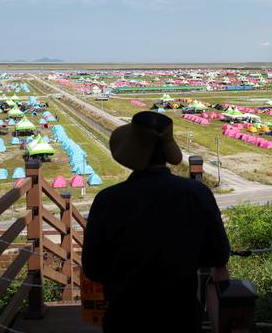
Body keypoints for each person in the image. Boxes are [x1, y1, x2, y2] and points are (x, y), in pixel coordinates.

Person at [82, 111, 230, 333]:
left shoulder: (108, 200)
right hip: (181, 316)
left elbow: (93, 267)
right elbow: (218, 254)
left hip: (126, 317)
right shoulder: (197, 193)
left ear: (131, 150)